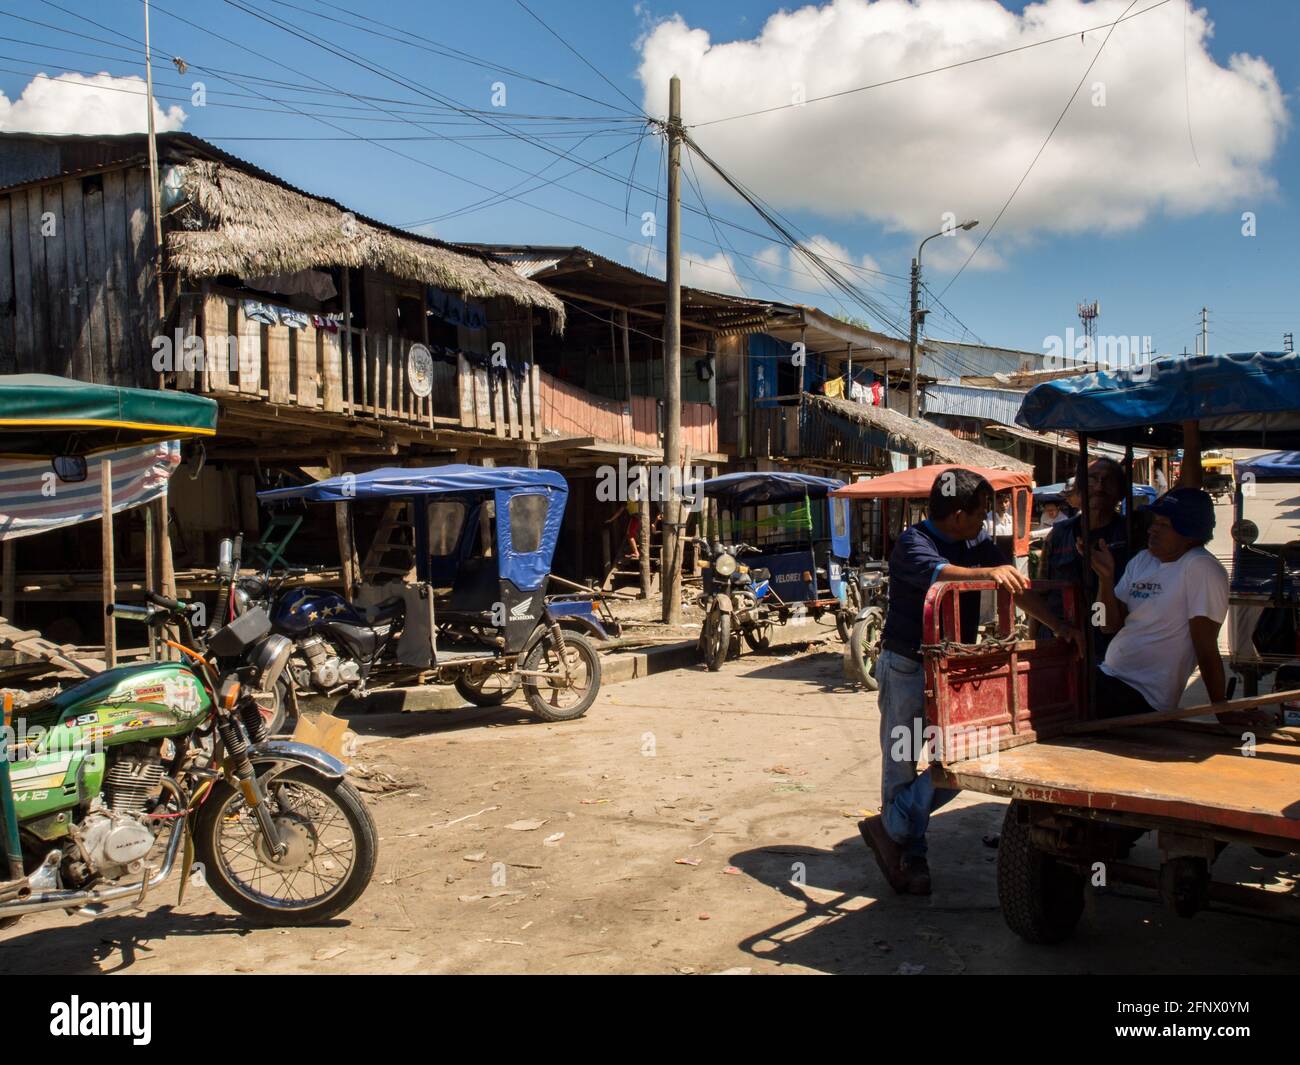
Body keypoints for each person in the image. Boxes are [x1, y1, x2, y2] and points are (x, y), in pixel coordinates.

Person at [859, 468, 1080, 897]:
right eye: (982, 512)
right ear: (959, 515)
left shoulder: (977, 542)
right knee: (902, 764)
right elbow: (942, 574)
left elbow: (1015, 588)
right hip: (907, 668)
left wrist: (1059, 624)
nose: (987, 519)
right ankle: (911, 854)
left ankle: (891, 824)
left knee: (967, 758)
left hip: (954, 671)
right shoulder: (912, 543)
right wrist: (986, 575)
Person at [1089, 487, 1229, 717]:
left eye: (1164, 525)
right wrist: (1104, 578)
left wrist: (1221, 707)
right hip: (1109, 675)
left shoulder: (1200, 566)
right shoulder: (1142, 560)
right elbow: (1105, 624)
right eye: (1155, 521)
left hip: (1143, 694)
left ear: (1189, 534)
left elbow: (1205, 646)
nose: (1152, 529)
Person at [1031, 456, 1130, 654]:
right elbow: (1041, 592)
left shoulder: (1130, 535)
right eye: (1092, 479)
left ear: (1120, 493)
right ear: (1078, 489)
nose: (1100, 487)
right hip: (1060, 639)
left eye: (1108, 480)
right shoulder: (1058, 534)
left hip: (1108, 643)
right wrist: (1034, 644)